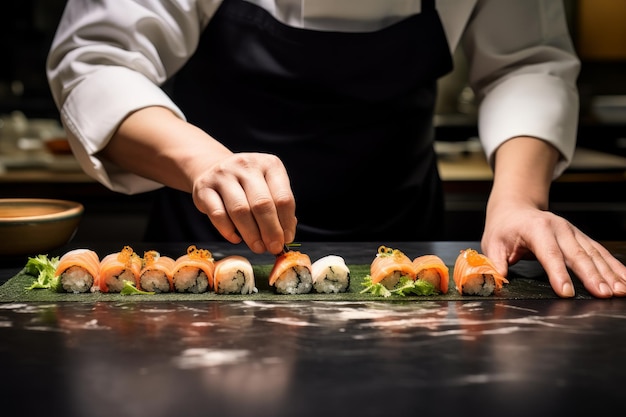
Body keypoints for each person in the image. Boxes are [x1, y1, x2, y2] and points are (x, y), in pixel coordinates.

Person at [46, 0, 626, 299]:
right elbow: (97, 58)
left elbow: (528, 61)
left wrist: (520, 200)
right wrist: (204, 162)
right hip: (207, 231)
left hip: (402, 222)